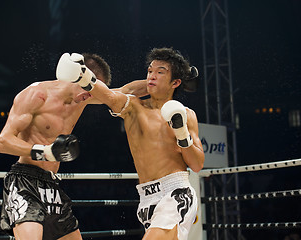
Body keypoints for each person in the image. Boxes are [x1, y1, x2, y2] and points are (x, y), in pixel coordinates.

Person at [56, 47, 205, 240]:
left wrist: (182, 134)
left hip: (176, 194)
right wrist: (83, 76)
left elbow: (197, 164)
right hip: (147, 199)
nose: (152, 76)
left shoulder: (187, 114)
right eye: (150, 71)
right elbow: (109, 96)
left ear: (175, 82)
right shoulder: (134, 106)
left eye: (160, 72)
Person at [0, 53, 147, 240]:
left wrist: (165, 81)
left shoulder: (83, 97)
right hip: (24, 181)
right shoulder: (36, 95)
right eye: (88, 88)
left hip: (51, 183)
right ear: (77, 75)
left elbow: (126, 90)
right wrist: (45, 152)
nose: (90, 96)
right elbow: (3, 142)